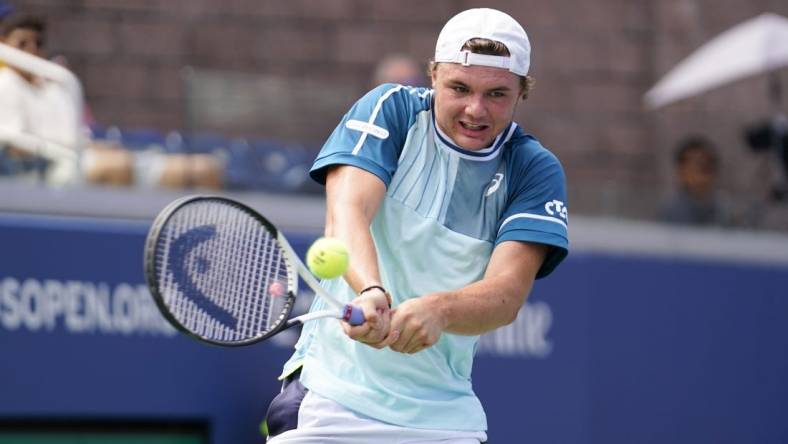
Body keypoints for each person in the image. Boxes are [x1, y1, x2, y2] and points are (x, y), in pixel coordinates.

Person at [264, 8, 569, 443]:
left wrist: (439, 310)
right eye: (459, 88)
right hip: (330, 401)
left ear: (523, 92)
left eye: (497, 94)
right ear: (433, 77)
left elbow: (506, 295)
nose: (475, 109)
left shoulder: (534, 169)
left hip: (445, 418)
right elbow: (347, 214)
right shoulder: (391, 109)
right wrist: (370, 290)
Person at [0, 13, 223, 188]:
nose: (32, 50)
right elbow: (17, 148)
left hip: (89, 158)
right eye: (22, 43)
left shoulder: (58, 86)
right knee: (120, 166)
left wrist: (96, 147)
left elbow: (79, 134)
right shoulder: (6, 84)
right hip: (50, 172)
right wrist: (75, 150)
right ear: (5, 45)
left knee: (205, 169)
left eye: (38, 43)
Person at [659, 136, 735, 227]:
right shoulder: (670, 210)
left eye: (709, 163)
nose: (704, 168)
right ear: (681, 171)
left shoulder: (727, 210)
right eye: (697, 163)